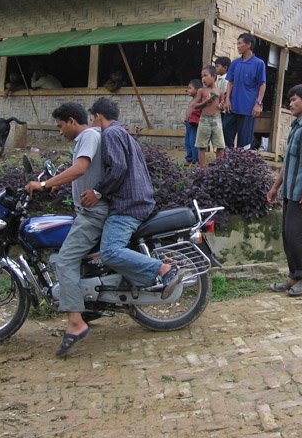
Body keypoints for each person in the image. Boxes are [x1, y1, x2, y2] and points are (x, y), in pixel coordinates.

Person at [80, 97, 183, 311]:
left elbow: (117, 168)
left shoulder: (111, 134)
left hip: (128, 206)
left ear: (98, 116)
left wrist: (98, 192)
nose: (91, 125)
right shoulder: (123, 133)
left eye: (92, 119)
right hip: (137, 201)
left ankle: (164, 269)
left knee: (109, 251)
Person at [24, 102, 108, 358]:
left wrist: (44, 183)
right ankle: (86, 308)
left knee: (65, 260)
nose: (60, 132)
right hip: (88, 211)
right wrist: (57, 185)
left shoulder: (88, 136)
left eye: (60, 126)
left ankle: (75, 322)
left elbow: (80, 168)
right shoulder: (88, 138)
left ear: (72, 121)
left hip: (93, 214)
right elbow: (82, 174)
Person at [266, 83, 302, 297]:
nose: (291, 103)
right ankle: (294, 276)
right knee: (288, 235)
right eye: (289, 100)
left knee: (298, 235)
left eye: (294, 99)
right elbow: (287, 162)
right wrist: (274, 188)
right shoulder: (295, 126)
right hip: (289, 191)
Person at [224, 33, 267, 149]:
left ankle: (242, 165)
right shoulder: (235, 63)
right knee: (225, 130)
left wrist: (258, 104)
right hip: (232, 106)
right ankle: (228, 159)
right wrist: (227, 99)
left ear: (248, 45)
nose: (237, 46)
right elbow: (230, 82)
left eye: (240, 43)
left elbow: (262, 85)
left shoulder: (259, 63)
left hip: (248, 109)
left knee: (244, 142)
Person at [194, 65, 225, 167]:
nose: (203, 79)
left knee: (220, 145)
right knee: (201, 145)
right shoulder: (201, 91)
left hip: (216, 119)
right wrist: (206, 101)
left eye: (205, 76)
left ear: (213, 76)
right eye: (202, 76)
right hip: (204, 120)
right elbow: (196, 106)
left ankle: (218, 169)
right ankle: (202, 168)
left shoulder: (220, 92)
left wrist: (221, 107)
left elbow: (222, 106)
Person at [184, 79, 202, 165]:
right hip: (188, 123)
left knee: (193, 141)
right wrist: (186, 118)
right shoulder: (192, 100)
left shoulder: (200, 101)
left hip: (194, 124)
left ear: (197, 90)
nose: (188, 90)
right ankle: (189, 158)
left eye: (190, 88)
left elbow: (200, 113)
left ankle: (196, 160)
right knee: (187, 141)